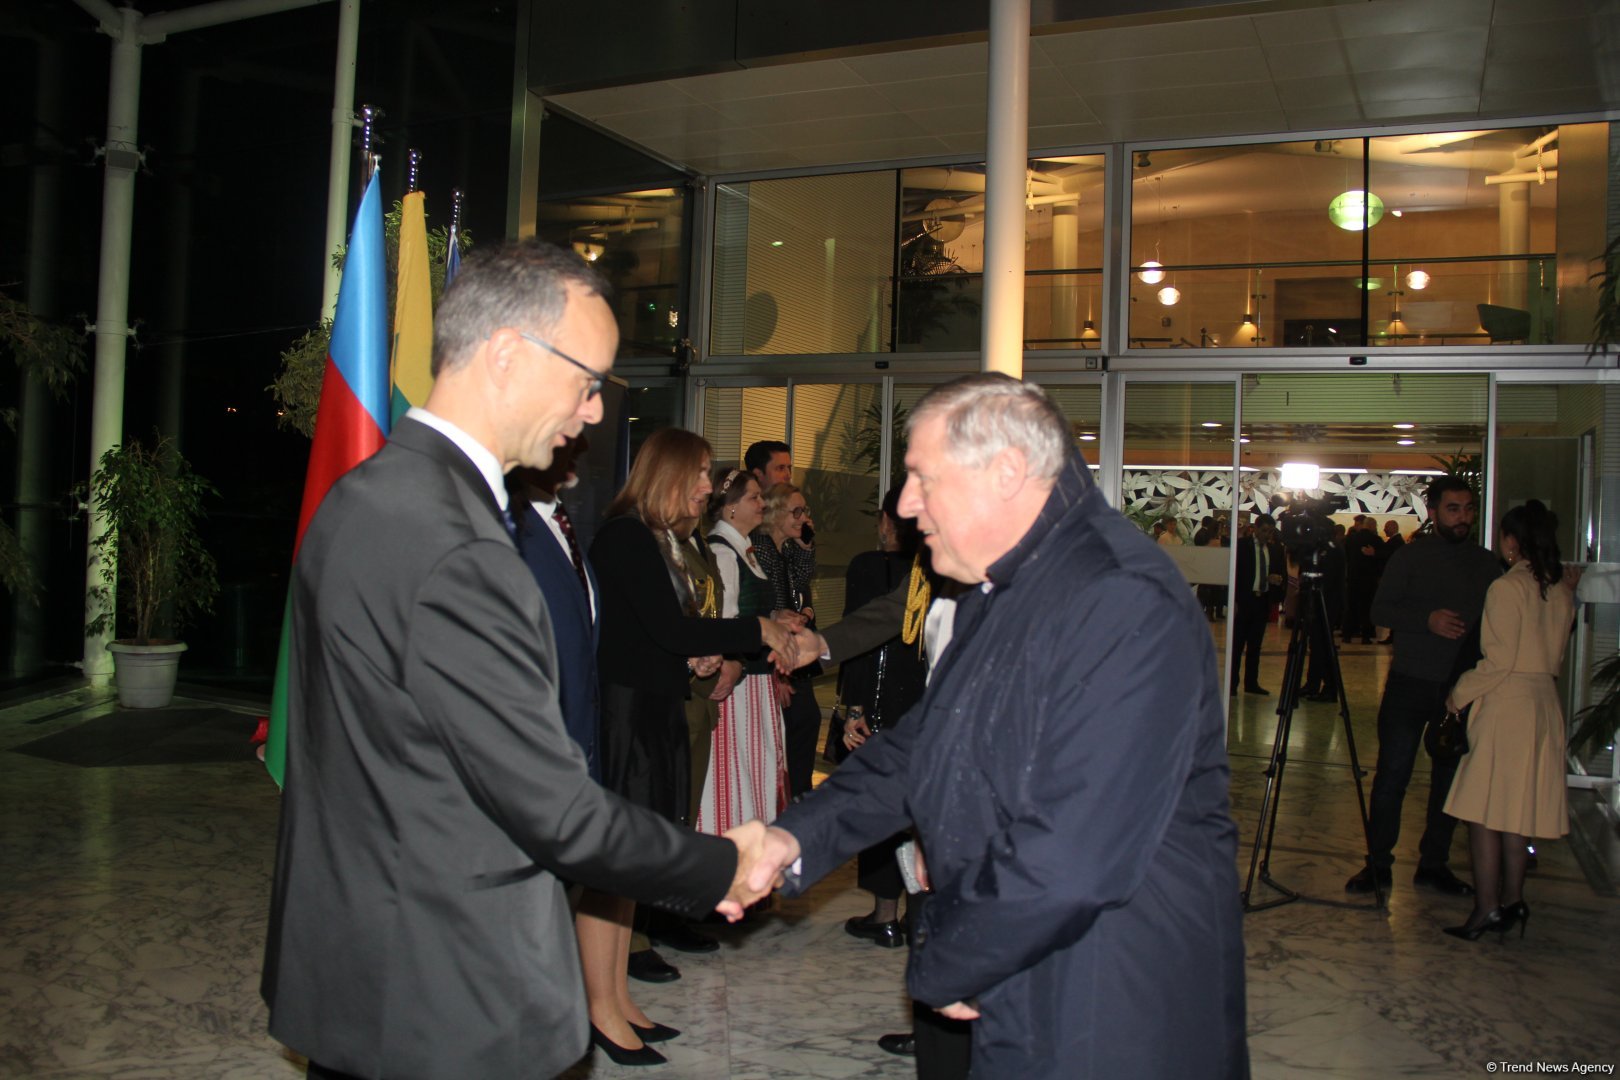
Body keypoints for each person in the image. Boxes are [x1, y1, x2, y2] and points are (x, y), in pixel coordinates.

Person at [262, 240, 770, 1080]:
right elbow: (557, 813)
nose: (596, 412)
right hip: (448, 990)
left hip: (362, 965)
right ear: (505, 354)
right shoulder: (459, 545)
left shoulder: (365, 496)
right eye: (587, 380)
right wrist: (724, 862)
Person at [749, 374, 1248, 1077]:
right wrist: (791, 837)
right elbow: (928, 742)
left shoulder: (1121, 599)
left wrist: (946, 960)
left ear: (1007, 472)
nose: (906, 503)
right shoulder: (1007, 581)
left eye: (923, 477)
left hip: (1107, 1004)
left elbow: (1075, 853)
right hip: (1026, 969)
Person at [585, 427, 797, 1064]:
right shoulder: (625, 535)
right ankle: (599, 1007)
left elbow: (658, 635)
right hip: (626, 717)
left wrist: (691, 659)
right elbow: (663, 626)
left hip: (655, 705)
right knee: (612, 869)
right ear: (669, 474)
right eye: (702, 473)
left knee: (632, 868)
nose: (709, 486)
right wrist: (753, 629)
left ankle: (616, 996)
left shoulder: (663, 540)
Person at [1346, 476, 1501, 897]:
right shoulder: (1410, 558)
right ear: (1433, 513)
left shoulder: (1486, 565)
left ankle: (1434, 863)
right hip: (1409, 684)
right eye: (1454, 509)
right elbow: (1380, 608)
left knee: (1448, 779)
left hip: (1460, 689)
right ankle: (1378, 865)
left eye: (1468, 509)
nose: (1463, 517)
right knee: (1393, 775)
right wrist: (1427, 619)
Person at [1441, 501, 1576, 940]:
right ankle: (1514, 900)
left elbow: (1497, 663)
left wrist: (1457, 696)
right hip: (1542, 703)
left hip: (1507, 706)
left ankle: (1486, 909)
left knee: (1482, 813)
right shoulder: (1558, 589)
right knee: (1516, 812)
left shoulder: (1506, 588)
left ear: (1513, 541)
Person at [835, 487, 930, 949]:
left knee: (879, 807)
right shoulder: (937, 571)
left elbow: (860, 640)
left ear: (888, 523)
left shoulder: (867, 568)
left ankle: (884, 913)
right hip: (923, 701)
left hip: (880, 699)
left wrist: (852, 706)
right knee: (920, 813)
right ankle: (918, 913)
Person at [698, 467, 789, 833]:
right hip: (740, 687)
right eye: (754, 497)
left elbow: (749, 611)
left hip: (755, 682)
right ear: (730, 507)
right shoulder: (723, 552)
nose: (762, 503)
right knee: (738, 770)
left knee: (756, 768)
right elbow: (726, 620)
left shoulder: (743, 548)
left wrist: (778, 618)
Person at [753, 481, 822, 797]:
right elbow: (769, 608)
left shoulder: (786, 548)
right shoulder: (762, 549)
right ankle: (792, 799)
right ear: (775, 513)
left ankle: (799, 795)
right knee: (795, 726)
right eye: (796, 511)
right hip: (773, 657)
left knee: (805, 722)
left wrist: (807, 546)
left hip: (790, 653)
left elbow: (802, 582)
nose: (803, 518)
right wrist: (779, 673)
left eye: (804, 511)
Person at [1231, 513, 1286, 696]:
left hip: (1262, 601)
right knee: (1237, 645)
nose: (1267, 535)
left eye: (1270, 532)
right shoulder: (1241, 547)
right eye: (1263, 531)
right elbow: (1235, 575)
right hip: (1244, 601)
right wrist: (1234, 601)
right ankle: (1232, 684)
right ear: (1255, 528)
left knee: (1255, 645)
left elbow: (1280, 572)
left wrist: (1276, 580)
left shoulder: (1274, 549)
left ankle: (1251, 683)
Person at [1343, 515, 1381, 644]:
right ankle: (1366, 636)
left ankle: (1347, 634)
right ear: (1372, 526)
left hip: (1353, 577)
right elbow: (1382, 559)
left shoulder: (1351, 539)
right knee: (1366, 607)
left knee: (1351, 606)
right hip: (1368, 579)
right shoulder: (1376, 539)